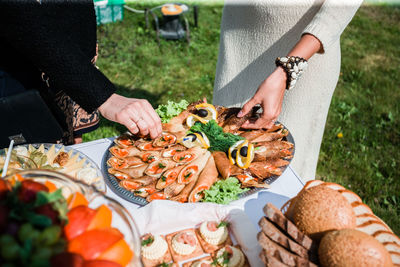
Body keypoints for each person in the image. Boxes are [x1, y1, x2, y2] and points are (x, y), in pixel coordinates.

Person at [213, 0, 363, 181]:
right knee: (218, 158)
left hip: (302, 58)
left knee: (278, 179)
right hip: (237, 44)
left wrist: (286, 71)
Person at [0, 0, 162, 145]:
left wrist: (83, 67)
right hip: (18, 68)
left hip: (70, 59)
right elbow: (19, 14)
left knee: (69, 150)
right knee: (27, 161)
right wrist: (104, 97)